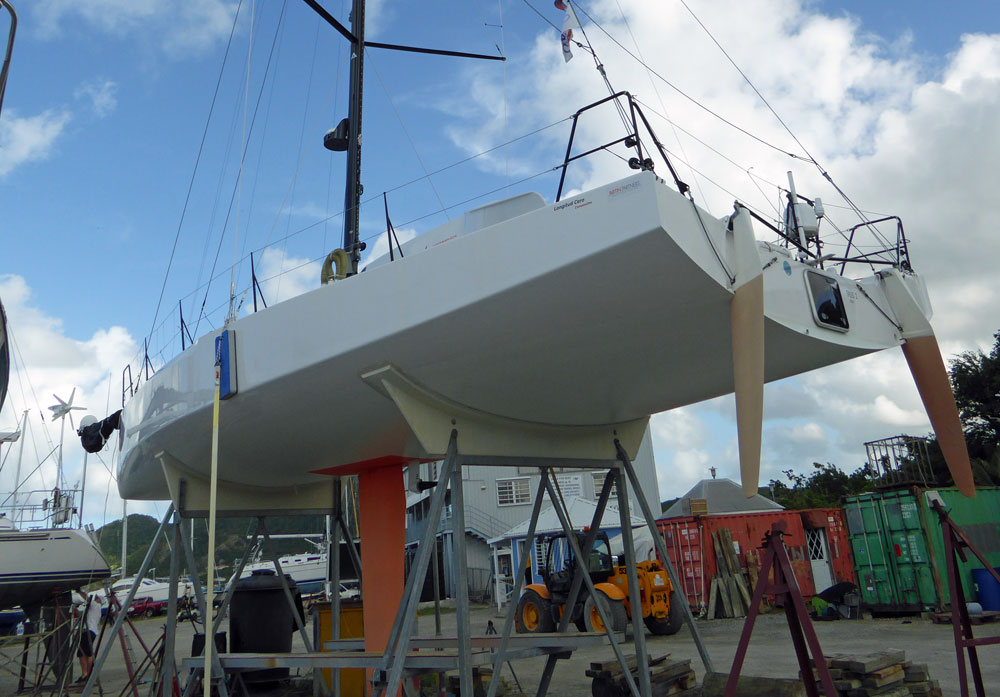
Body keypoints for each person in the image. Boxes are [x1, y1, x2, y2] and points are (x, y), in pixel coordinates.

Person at [72, 592, 103, 683]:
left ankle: (86, 674)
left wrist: (79, 591)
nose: (95, 599)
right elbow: (82, 616)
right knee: (84, 652)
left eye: (97, 598)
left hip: (89, 631)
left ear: (100, 601)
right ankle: (85, 674)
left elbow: (87, 598)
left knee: (85, 653)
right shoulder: (94, 610)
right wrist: (75, 609)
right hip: (90, 631)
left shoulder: (96, 605)